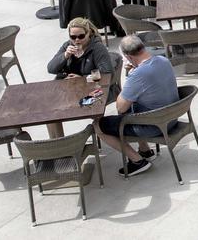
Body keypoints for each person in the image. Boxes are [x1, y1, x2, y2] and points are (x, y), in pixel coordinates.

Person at [98, 36, 179, 177]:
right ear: (143, 47)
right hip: (172, 118)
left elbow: (120, 107)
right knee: (134, 106)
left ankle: (137, 161)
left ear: (128, 57)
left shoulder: (138, 75)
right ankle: (145, 150)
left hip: (155, 126)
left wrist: (130, 76)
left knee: (98, 125)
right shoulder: (163, 61)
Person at [47, 17, 115, 82]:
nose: (77, 40)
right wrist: (65, 55)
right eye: (73, 37)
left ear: (88, 33)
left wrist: (83, 79)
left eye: (81, 36)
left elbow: (108, 75)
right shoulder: (67, 45)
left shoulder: (97, 48)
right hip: (70, 85)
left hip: (91, 87)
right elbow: (51, 69)